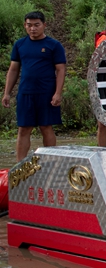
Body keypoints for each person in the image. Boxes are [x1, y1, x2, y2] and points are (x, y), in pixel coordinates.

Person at [2, 11, 66, 162]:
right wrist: (7, 93)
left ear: (44, 25)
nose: (32, 29)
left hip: (46, 92)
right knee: (24, 128)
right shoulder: (20, 44)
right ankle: (19, 166)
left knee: (46, 126)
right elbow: (13, 69)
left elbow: (61, 69)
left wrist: (57, 93)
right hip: (25, 92)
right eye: (29, 25)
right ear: (25, 25)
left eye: (36, 25)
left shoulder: (54, 45)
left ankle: (50, 162)